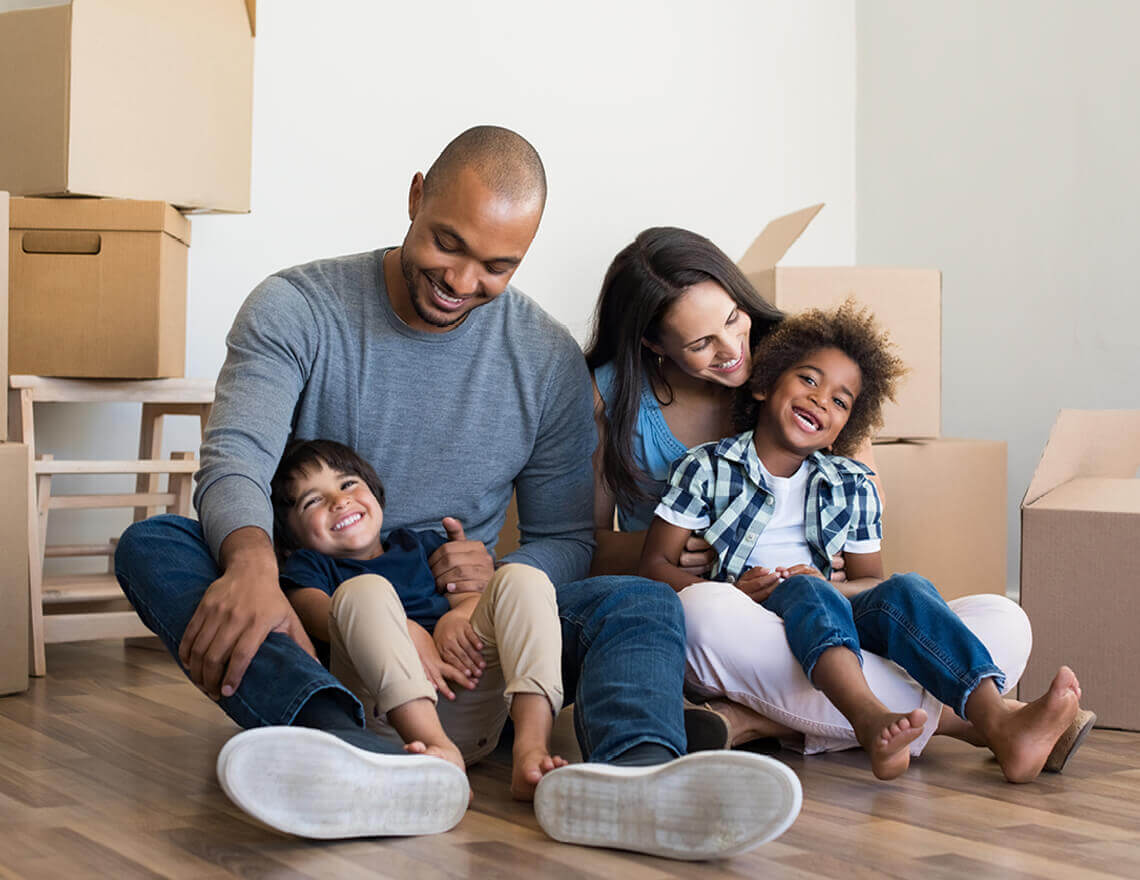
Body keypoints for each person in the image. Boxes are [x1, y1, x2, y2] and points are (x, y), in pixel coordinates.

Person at [115, 127, 802, 858]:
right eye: (449, 244)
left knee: (639, 600)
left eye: (497, 266)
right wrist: (253, 566)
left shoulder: (543, 360)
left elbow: (566, 537)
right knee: (157, 545)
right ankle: (337, 742)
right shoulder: (296, 307)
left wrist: (490, 586)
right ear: (416, 196)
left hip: (473, 641)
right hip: (319, 610)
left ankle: (636, 774)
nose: (463, 281)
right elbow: (237, 459)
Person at [584, 227, 1051, 759]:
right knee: (705, 611)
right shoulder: (654, 427)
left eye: (734, 319)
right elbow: (597, 548)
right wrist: (705, 556)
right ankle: (968, 721)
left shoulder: (808, 362)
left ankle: (754, 721)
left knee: (1004, 621)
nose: (735, 349)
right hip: (726, 612)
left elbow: (865, 561)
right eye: (700, 343)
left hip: (830, 609)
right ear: (653, 344)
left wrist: (841, 579)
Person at [641, 302, 1093, 782]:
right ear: (763, 383)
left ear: (845, 429)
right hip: (753, 627)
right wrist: (733, 591)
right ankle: (892, 717)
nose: (820, 400)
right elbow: (654, 566)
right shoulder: (706, 467)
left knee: (984, 613)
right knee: (705, 609)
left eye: (840, 401)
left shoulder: (853, 483)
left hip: (839, 627)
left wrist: (830, 587)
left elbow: (870, 584)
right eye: (809, 380)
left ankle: (990, 718)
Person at [271, 438, 567, 800]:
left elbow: (472, 598)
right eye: (313, 500)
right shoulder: (309, 567)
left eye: (347, 484)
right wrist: (406, 630)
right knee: (364, 591)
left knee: (522, 578)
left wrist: (456, 616)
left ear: (376, 495)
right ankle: (437, 750)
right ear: (290, 539)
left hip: (470, 694)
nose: (339, 500)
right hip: (392, 720)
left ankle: (531, 749)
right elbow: (318, 616)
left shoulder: (419, 545)